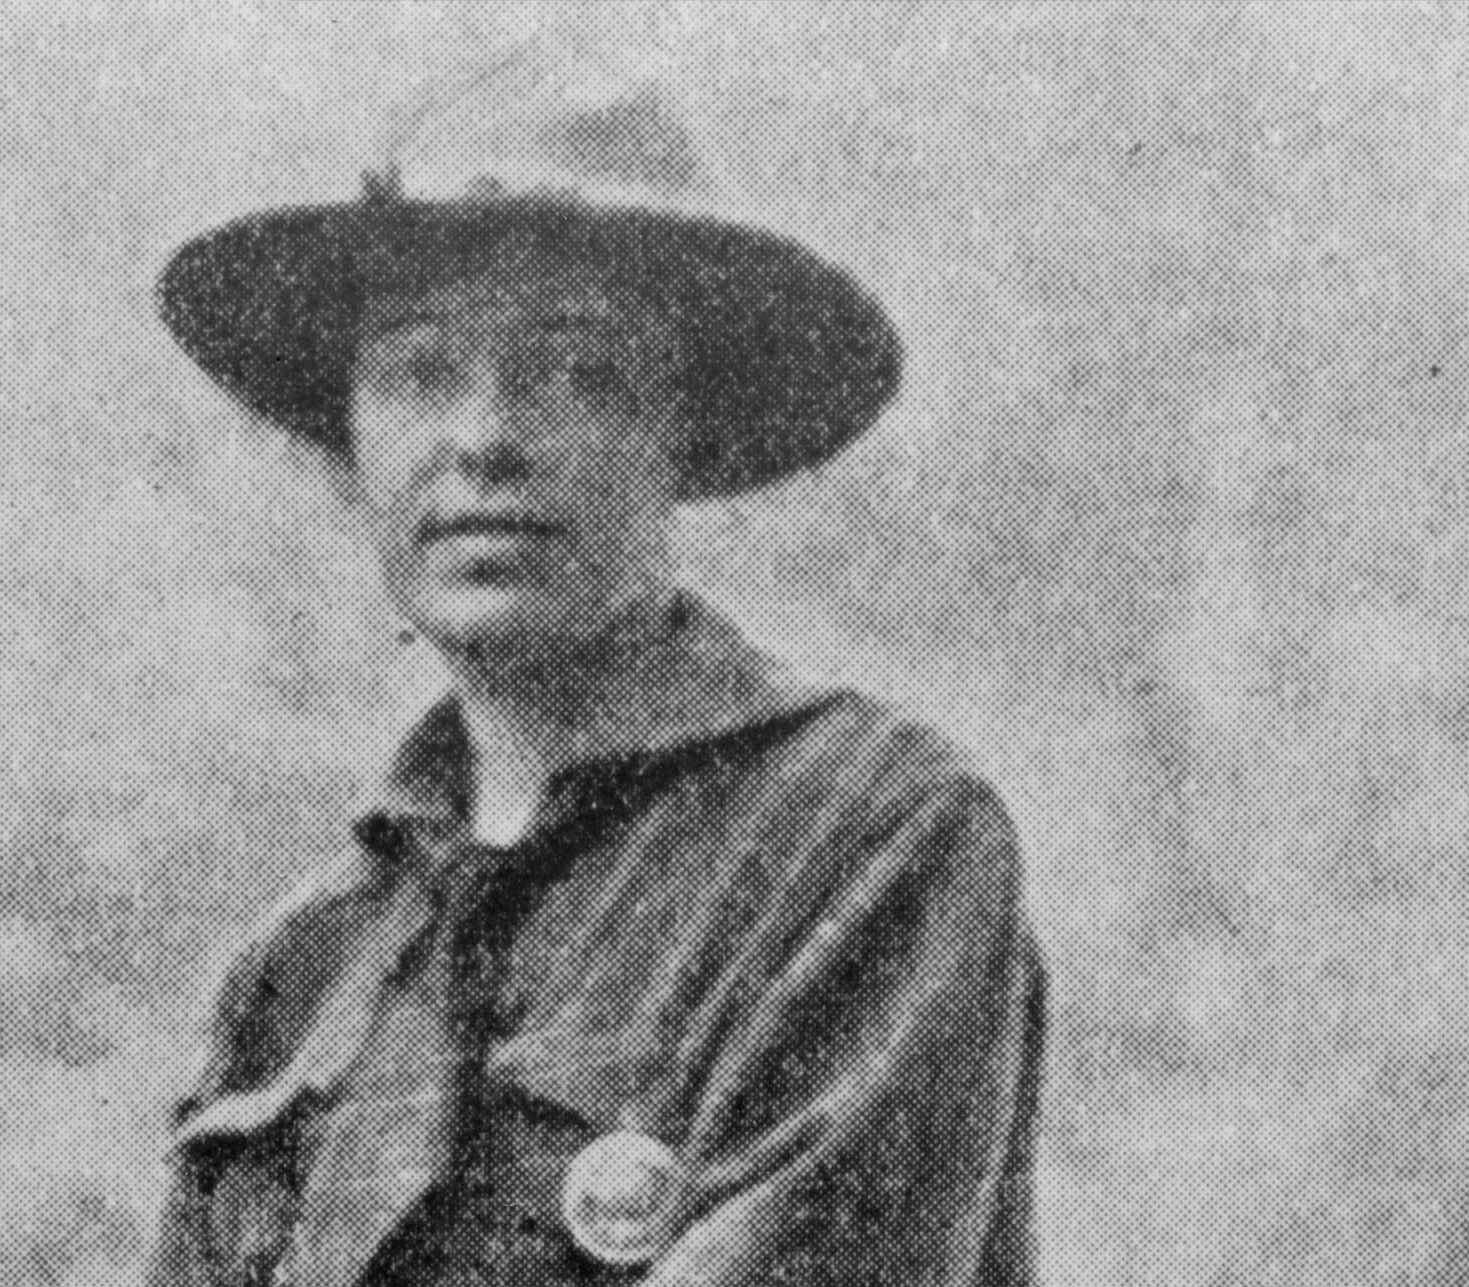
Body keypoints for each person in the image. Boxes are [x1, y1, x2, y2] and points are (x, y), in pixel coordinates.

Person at [146, 39, 1046, 1287]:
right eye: (417, 372)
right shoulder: (300, 974)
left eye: (573, 372)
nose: (484, 440)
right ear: (351, 439)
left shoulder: (870, 844)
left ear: (680, 429)